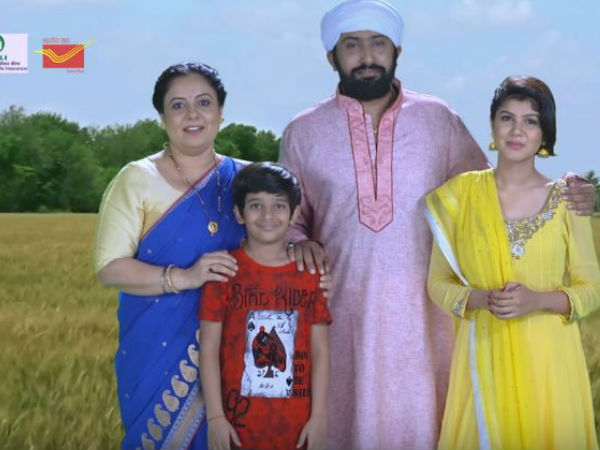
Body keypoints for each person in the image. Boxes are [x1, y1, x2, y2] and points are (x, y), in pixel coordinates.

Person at [278, 1, 599, 449]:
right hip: (344, 314)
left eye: (378, 44)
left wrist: (571, 191)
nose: (367, 56)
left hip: (432, 319)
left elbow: (494, 191)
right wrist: (297, 241)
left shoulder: (438, 119)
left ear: (397, 51)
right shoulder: (302, 132)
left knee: (437, 422)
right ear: (332, 56)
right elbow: (287, 221)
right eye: (352, 45)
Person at [94, 63, 330, 450]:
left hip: (241, 357)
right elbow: (109, 268)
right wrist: (184, 277)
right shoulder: (137, 179)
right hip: (158, 348)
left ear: (221, 113)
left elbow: (274, 240)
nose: (193, 114)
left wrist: (302, 249)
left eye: (204, 103)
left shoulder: (246, 180)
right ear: (162, 117)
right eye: (178, 105)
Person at [425, 76, 600, 450]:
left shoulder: (568, 200)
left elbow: (592, 289)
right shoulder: (460, 196)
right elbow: (437, 282)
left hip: (551, 366)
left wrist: (537, 301)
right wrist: (479, 298)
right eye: (507, 118)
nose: (517, 130)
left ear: (545, 133)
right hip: (482, 357)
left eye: (530, 121)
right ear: (492, 125)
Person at [199, 162, 331, 450]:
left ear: (294, 214)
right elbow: (208, 349)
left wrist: (319, 418)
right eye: (256, 205)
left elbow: (320, 351)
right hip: (236, 428)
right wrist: (216, 418)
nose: (267, 216)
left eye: (279, 206)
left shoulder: (310, 276)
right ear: (239, 213)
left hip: (298, 428)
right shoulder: (223, 273)